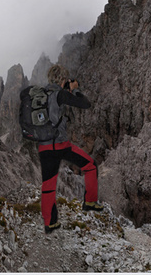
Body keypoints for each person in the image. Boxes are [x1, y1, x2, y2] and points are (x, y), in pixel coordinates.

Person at [39, 64, 100, 234]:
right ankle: (90, 202)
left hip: (44, 147)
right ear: (62, 80)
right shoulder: (60, 94)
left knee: (48, 185)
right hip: (60, 145)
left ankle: (49, 223)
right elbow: (85, 103)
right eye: (65, 80)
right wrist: (74, 89)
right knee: (90, 166)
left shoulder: (42, 94)